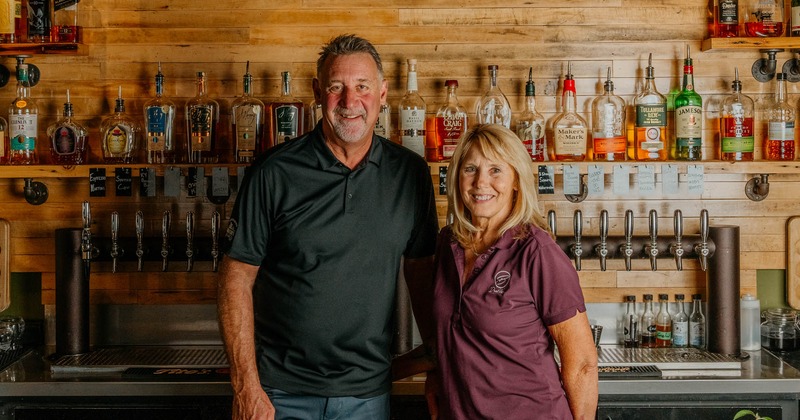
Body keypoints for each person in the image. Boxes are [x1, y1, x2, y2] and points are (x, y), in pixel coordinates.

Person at [217, 34, 439, 420]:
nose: (350, 102)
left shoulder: (410, 174)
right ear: (318, 92)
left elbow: (422, 276)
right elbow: (235, 278)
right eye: (337, 87)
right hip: (279, 394)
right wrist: (246, 386)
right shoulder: (274, 173)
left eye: (362, 87)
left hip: (367, 397)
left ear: (383, 94)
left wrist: (438, 363)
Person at [428, 124, 598, 419]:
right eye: (470, 169)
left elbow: (582, 362)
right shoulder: (448, 243)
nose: (481, 182)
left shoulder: (537, 252)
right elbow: (447, 338)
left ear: (517, 180)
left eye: (496, 170)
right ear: (457, 179)